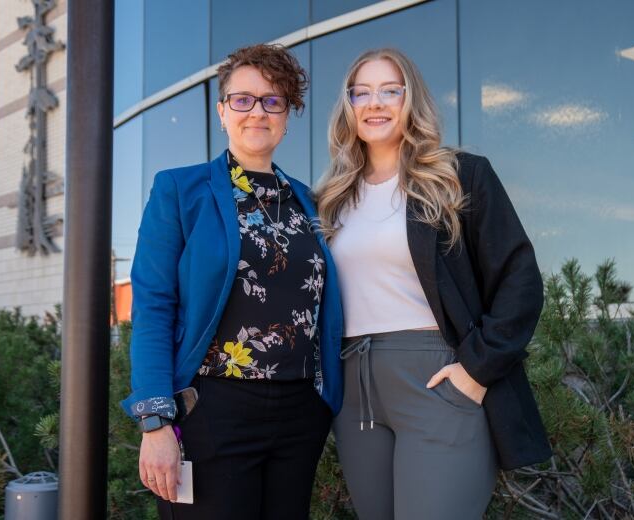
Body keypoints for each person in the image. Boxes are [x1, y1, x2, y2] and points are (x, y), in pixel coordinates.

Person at [314, 48, 552, 519]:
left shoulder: (459, 176)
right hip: (355, 390)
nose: (375, 103)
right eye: (361, 93)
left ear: (411, 99)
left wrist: (475, 371)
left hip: (436, 378)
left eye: (389, 91)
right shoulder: (330, 198)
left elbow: (520, 279)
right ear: (348, 106)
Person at [122, 43, 343, 520]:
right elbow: (154, 307)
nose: (256, 111)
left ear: (287, 114)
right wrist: (155, 421)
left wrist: (326, 402)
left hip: (300, 413)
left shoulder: (312, 203)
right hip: (212, 410)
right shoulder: (180, 190)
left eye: (272, 100)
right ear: (222, 111)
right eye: (242, 99)